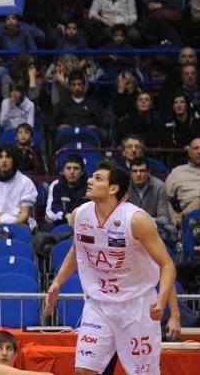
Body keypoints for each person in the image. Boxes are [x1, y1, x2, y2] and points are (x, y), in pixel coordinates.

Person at [45, 160, 177, 375]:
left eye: (97, 178)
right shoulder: (80, 214)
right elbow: (77, 249)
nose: (89, 180)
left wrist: (163, 304)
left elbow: (167, 264)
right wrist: (57, 283)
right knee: (83, 371)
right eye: (91, 176)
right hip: (98, 305)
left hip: (135, 306)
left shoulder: (136, 220)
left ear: (113, 188)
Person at [0, 145, 38, 230]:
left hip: (19, 225)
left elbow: (24, 214)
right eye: (0, 157)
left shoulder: (26, 182)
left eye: (8, 157)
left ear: (14, 160)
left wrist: (10, 228)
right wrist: (3, 229)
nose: (4, 160)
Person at [127, 157, 176, 247]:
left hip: (154, 229)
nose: (138, 174)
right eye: (135, 171)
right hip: (130, 229)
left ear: (148, 172)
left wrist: (146, 221)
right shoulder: (125, 186)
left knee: (169, 230)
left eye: (142, 171)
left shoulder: (159, 186)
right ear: (130, 173)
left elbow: (164, 218)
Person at [45, 154, 87, 227]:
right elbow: (49, 212)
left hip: (84, 225)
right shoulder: (56, 185)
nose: (72, 172)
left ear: (82, 172)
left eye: (76, 168)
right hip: (60, 224)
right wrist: (66, 215)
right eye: (68, 168)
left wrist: (73, 217)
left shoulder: (90, 186)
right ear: (63, 171)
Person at [164, 137, 200, 224]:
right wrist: (175, 218)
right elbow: (163, 198)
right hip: (189, 216)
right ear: (189, 153)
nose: (199, 151)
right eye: (196, 148)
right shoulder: (177, 172)